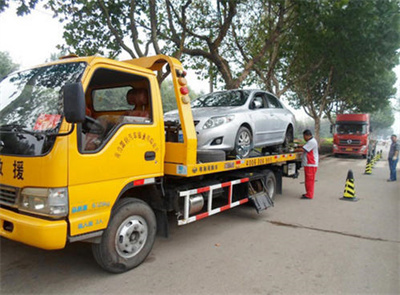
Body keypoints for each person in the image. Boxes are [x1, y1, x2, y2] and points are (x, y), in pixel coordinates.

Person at [301, 129, 319, 199]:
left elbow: (303, 149)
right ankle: (308, 193)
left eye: (304, 136)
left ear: (306, 135)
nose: (303, 138)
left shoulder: (312, 142)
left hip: (311, 164)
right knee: (308, 180)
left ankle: (309, 195)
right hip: (310, 164)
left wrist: (294, 149)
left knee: (309, 181)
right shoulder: (311, 141)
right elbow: (304, 147)